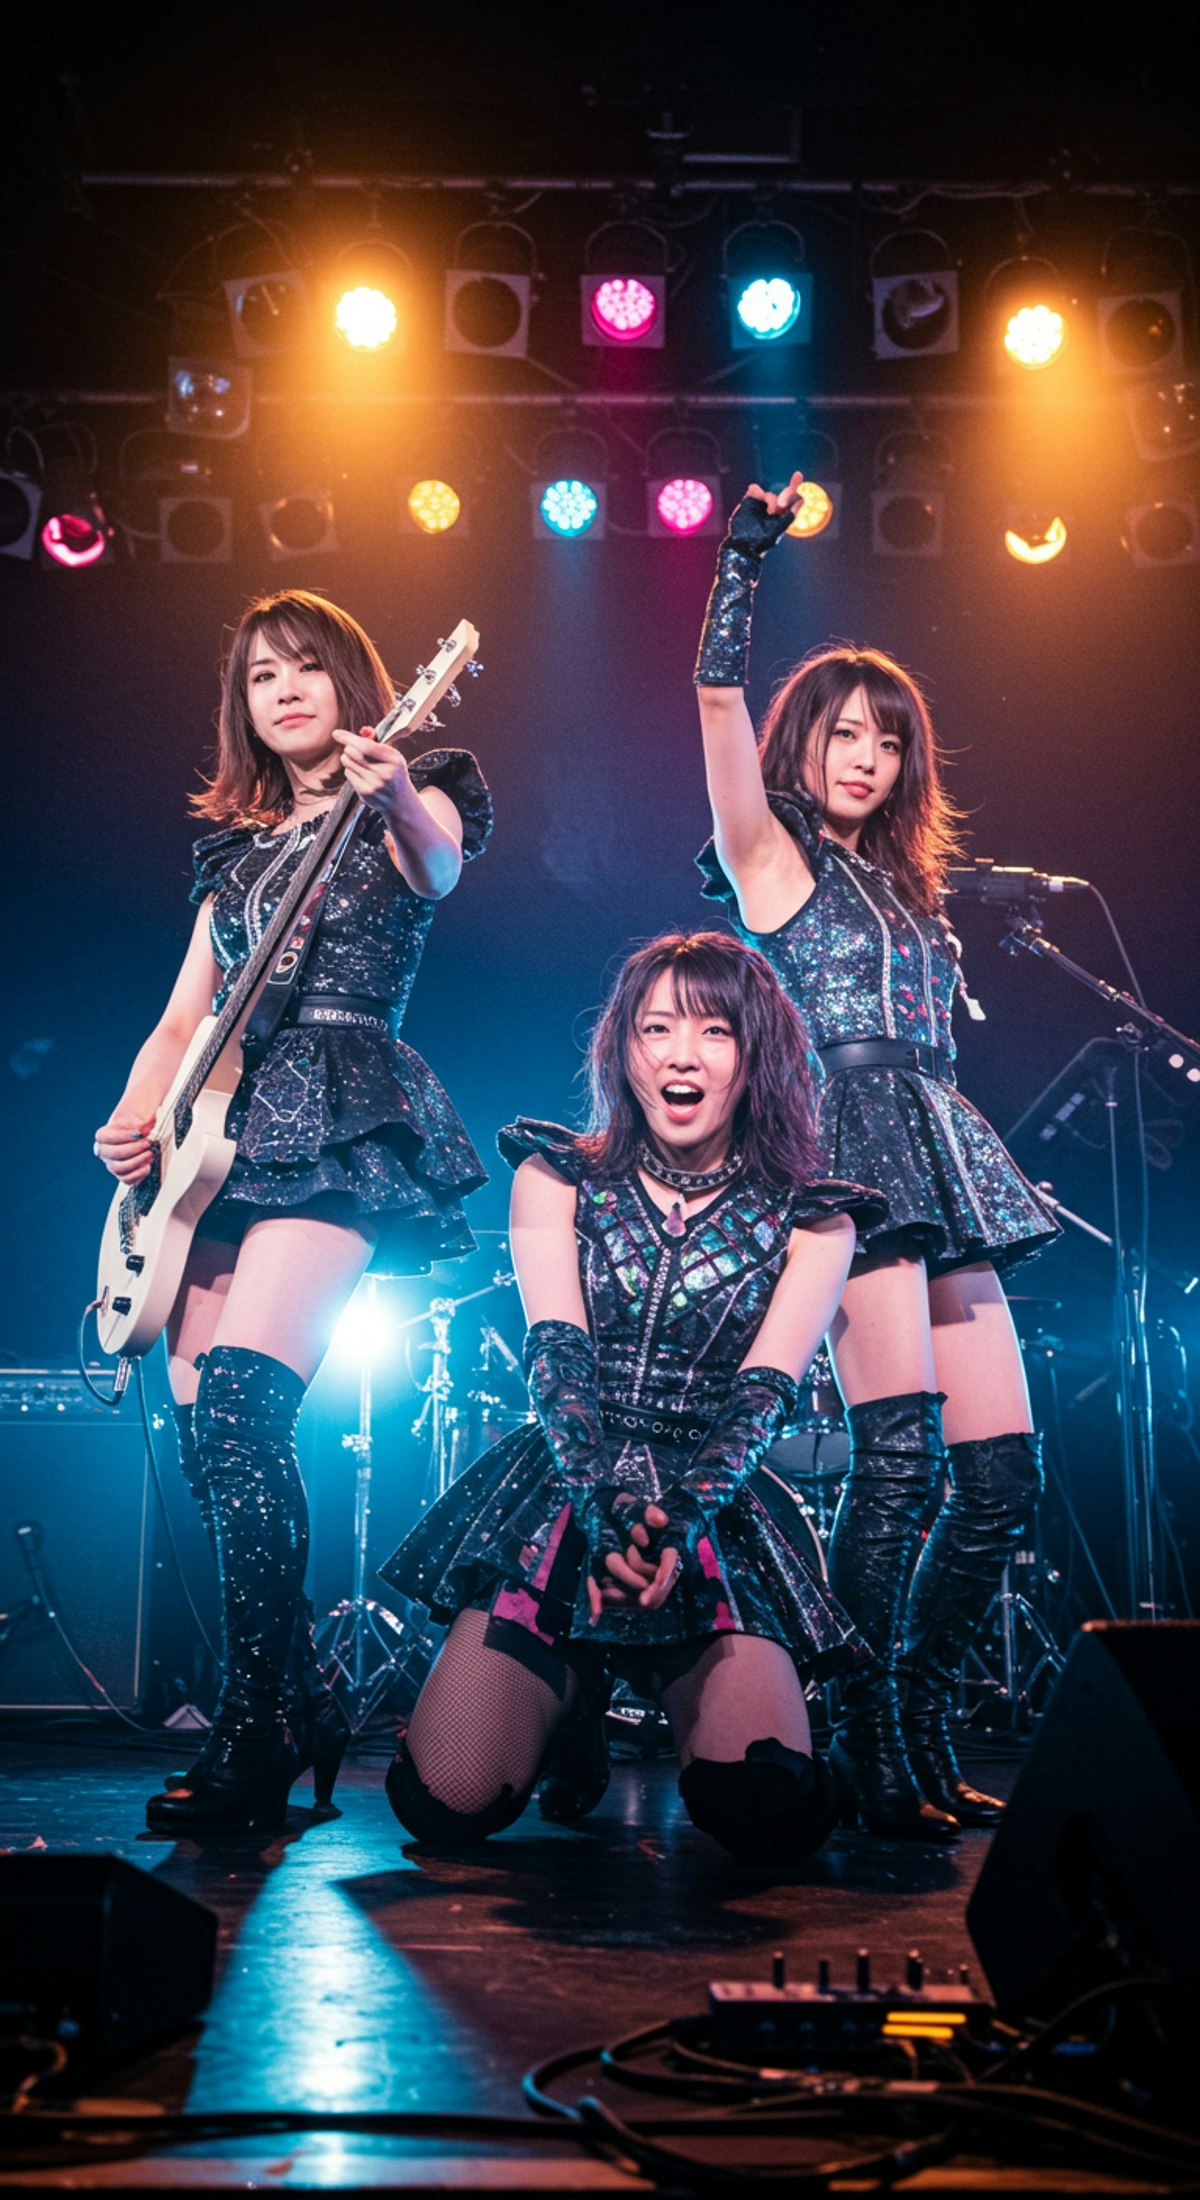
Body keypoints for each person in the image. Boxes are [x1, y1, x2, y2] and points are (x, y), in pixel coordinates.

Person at [693, 479, 1058, 1840]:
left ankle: (920, 1711)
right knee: (896, 1467)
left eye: (888, 740)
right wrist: (742, 562)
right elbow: (718, 706)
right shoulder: (772, 859)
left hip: (940, 1147)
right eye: (844, 732)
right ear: (806, 741)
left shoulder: (907, 889)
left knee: (1002, 1482)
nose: (865, 756)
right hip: (850, 1155)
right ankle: (859, 1741)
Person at [93, 589, 492, 1834]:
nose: (284, 688)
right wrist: (131, 1118)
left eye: (307, 666)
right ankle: (291, 1695)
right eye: (262, 675)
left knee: (246, 1401)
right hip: (211, 1139)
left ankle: (259, 1723)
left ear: (354, 682)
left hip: (339, 1110)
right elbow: (182, 1018)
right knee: (213, 1441)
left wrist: (395, 792)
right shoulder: (234, 858)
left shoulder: (419, 790)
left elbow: (439, 868)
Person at [378, 931, 886, 1867]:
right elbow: (558, 1363)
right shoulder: (556, 1174)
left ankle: (710, 1711)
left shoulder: (817, 1219)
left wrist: (674, 1529)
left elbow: (762, 1397)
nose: (681, 1054)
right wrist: (603, 1520)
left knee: (767, 1813)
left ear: (757, 1056)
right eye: (656, 1029)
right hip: (567, 1491)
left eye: (714, 1031)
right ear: (624, 1049)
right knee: (444, 1802)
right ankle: (571, 1707)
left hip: (712, 1510)